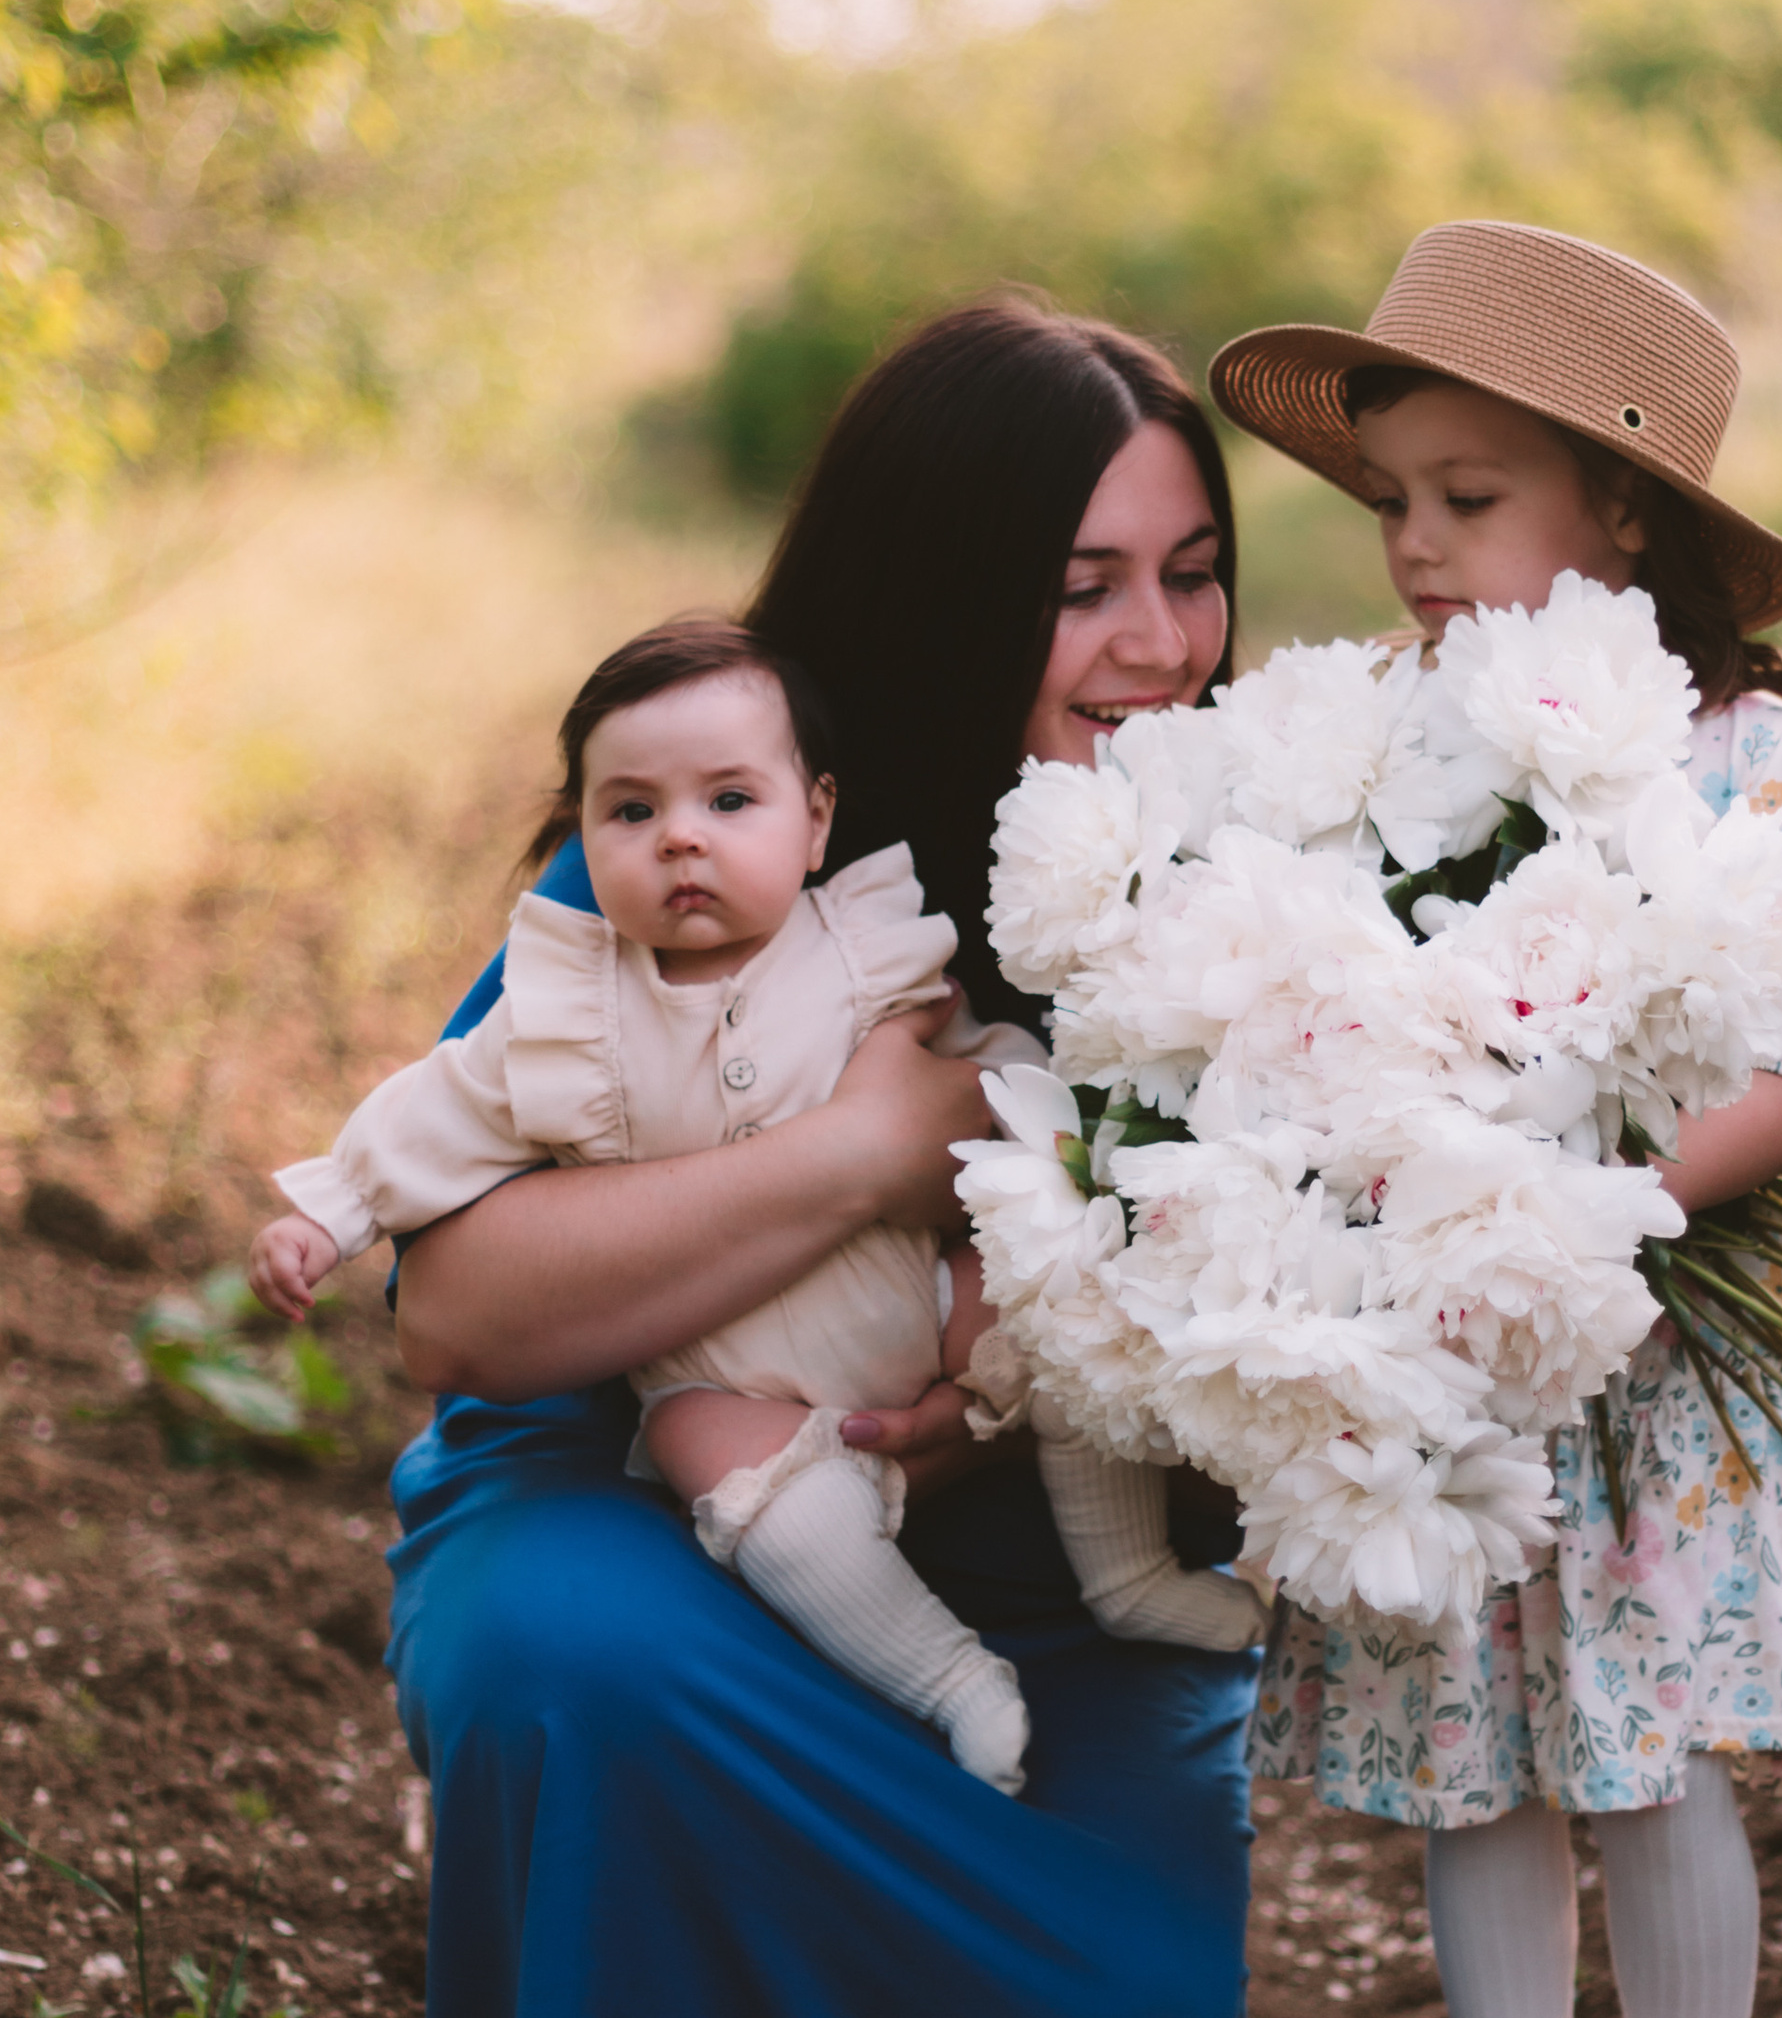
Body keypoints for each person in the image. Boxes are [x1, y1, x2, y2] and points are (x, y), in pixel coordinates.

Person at [374, 298, 1263, 2014]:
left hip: (1058, 1592)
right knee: (577, 1666)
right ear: (941, 590)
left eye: (1193, 571)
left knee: (1118, 1985)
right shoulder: (713, 828)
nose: (1160, 642)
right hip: (649, 1513)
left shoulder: (1255, 874)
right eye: (1080, 590)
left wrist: (1008, 1405)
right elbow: (453, 1312)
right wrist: (868, 1154)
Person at [1211, 220, 1782, 2018]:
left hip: (1659, 1346)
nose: (1411, 545)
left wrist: (1602, 1213)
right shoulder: (1389, 745)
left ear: (1624, 509)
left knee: (1649, 1746)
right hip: (1454, 1360)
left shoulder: (1739, 750)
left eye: (1467, 496)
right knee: (1472, 1748)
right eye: (1390, 498)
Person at [250, 618, 1262, 1796]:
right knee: (738, 1488)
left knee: (1066, 1301)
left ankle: (1125, 1571)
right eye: (630, 813)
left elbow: (999, 1062)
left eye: (729, 801)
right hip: (723, 1376)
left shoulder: (863, 950)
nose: (680, 836)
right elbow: (424, 1121)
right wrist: (325, 1215)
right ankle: (948, 1679)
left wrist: (1040, 1146)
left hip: (924, 1301)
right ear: (579, 831)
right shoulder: (565, 1021)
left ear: (815, 816)